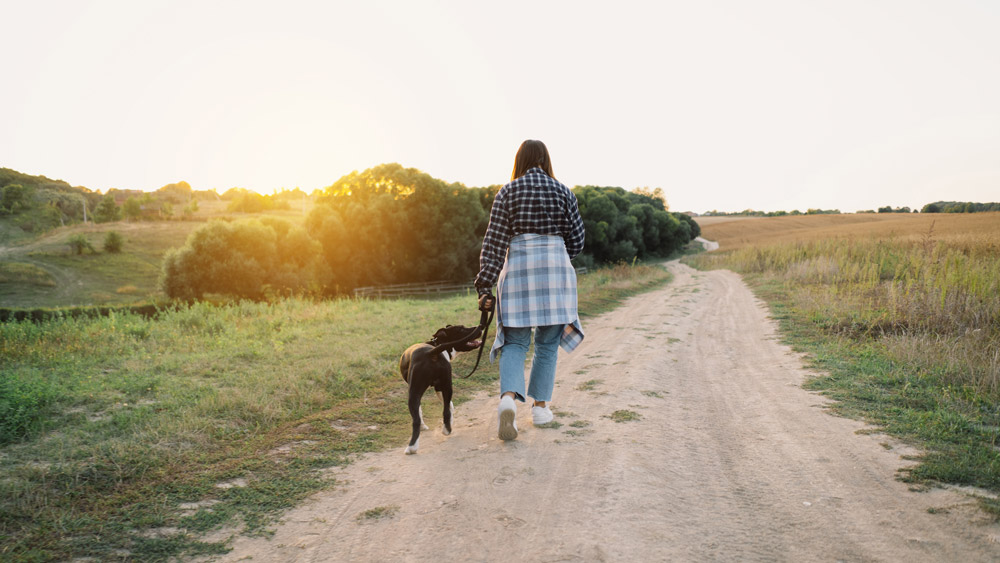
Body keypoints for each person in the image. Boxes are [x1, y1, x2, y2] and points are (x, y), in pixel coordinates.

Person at [475, 140, 586, 441]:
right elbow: (576, 242)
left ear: (519, 160)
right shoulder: (564, 192)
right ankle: (540, 409)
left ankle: (508, 399)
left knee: (515, 343)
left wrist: (485, 284)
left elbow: (494, 243)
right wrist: (554, 251)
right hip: (554, 273)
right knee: (547, 345)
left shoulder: (507, 192)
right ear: (545, 159)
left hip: (519, 273)